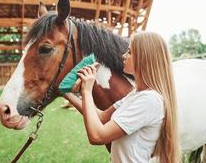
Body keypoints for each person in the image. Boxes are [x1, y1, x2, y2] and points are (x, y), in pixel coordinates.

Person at [64, 32, 180, 163]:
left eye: (129, 52)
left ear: (144, 58)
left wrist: (86, 91)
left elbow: (97, 136)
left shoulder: (149, 101)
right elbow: (102, 117)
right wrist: (66, 94)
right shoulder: (136, 94)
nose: (123, 56)